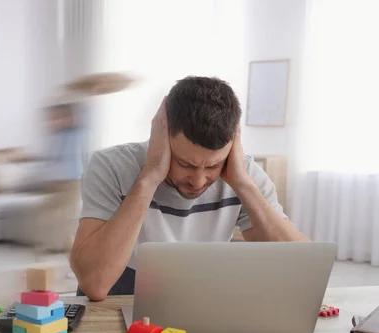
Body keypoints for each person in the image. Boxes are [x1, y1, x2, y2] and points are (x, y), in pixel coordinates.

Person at [69, 76, 309, 301]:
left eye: (213, 165)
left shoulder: (243, 173)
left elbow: (303, 271)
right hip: (122, 297)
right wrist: (150, 177)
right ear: (162, 136)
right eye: (185, 163)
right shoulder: (111, 166)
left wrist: (242, 184)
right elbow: (95, 284)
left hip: (200, 298)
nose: (198, 180)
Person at [35, 101, 86, 260]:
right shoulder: (56, 136)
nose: (53, 121)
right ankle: (51, 254)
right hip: (58, 183)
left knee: (66, 224)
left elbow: (62, 159)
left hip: (71, 182)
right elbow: (51, 160)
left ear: (69, 117)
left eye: (58, 117)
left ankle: (75, 261)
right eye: (52, 118)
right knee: (47, 218)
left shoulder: (75, 134)